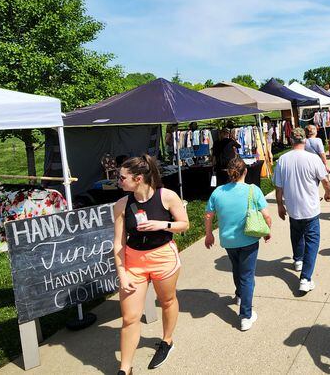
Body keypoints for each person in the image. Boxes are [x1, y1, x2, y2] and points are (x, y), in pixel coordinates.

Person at [113, 155, 190, 374]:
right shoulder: (121, 205)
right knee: (129, 317)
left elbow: (184, 225)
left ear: (138, 179)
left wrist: (163, 224)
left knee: (167, 300)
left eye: (122, 178)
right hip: (133, 262)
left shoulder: (166, 196)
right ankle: (125, 368)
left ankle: (167, 340)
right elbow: (118, 242)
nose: (118, 181)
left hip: (163, 257)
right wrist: (122, 273)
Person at [204, 158, 272, 330]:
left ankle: (240, 295)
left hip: (228, 240)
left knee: (237, 268)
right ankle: (246, 315)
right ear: (245, 172)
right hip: (248, 239)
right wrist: (267, 231)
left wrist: (208, 234)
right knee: (247, 276)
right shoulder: (253, 190)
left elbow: (208, 215)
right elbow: (267, 215)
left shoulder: (218, 192)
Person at [274, 127, 330, 294]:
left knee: (296, 233)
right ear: (305, 140)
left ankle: (298, 259)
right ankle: (305, 278)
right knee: (312, 242)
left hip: (293, 208)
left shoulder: (283, 160)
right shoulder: (313, 159)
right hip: (311, 209)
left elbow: (278, 187)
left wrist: (279, 204)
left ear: (291, 140)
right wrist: (327, 193)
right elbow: (325, 181)